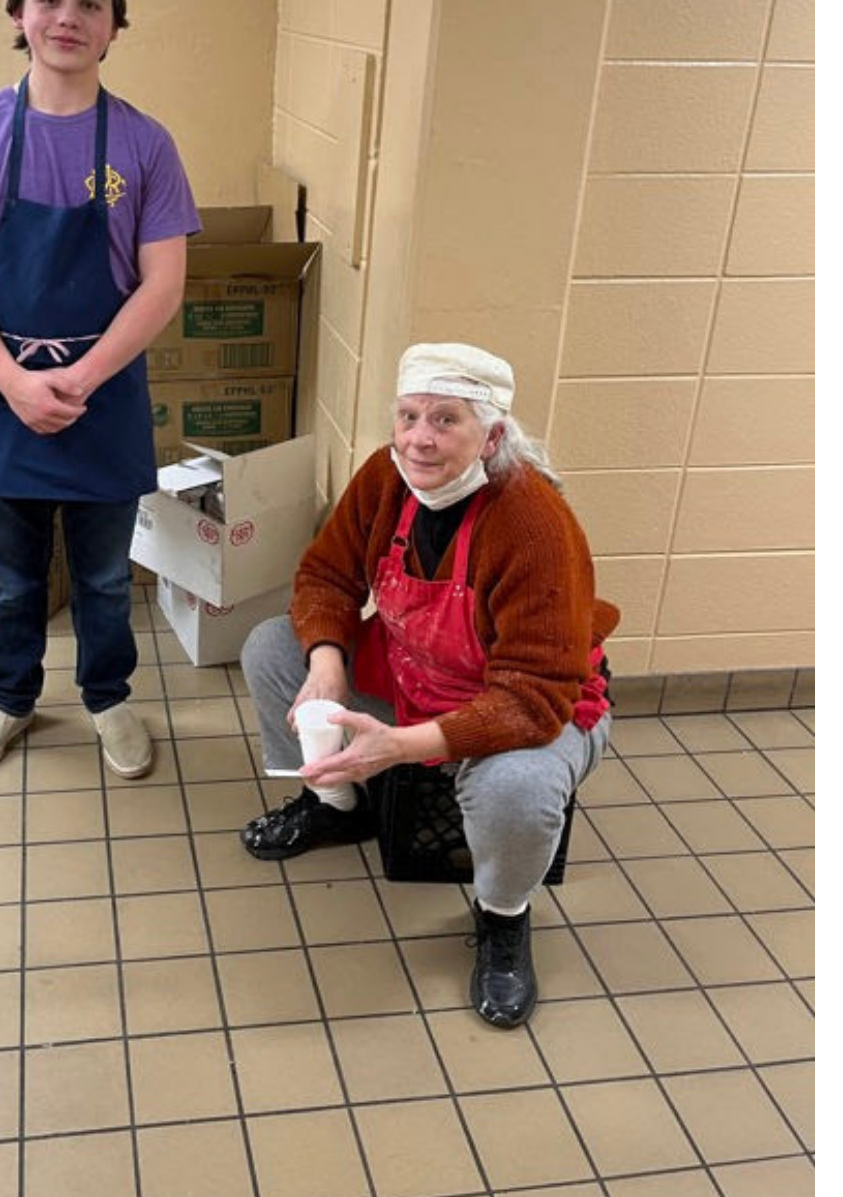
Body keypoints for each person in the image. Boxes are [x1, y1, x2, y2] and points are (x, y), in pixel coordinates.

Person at [239, 343, 619, 1028]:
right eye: (409, 415)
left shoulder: (532, 521)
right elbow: (326, 577)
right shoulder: (385, 480)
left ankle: (504, 916)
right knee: (273, 650)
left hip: (532, 705)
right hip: (417, 668)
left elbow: (535, 696)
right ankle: (336, 802)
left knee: (517, 789)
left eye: (446, 420)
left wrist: (402, 744)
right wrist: (327, 664)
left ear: (493, 435)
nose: (419, 438)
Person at [0, 0, 200, 780]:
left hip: (103, 391)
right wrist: (11, 380)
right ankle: (8, 696)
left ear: (116, 24)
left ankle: (109, 698)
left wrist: (79, 376)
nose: (68, 16)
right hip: (1, 392)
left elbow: (163, 283)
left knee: (108, 579)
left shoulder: (146, 145)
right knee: (12, 580)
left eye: (91, 0)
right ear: (19, 14)